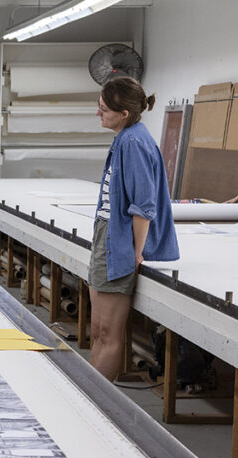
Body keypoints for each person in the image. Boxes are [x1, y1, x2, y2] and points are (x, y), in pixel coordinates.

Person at [89, 77, 179, 381]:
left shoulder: (134, 142)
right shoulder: (125, 137)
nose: (98, 114)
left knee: (109, 333)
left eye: (103, 109)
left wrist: (136, 253)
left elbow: (143, 205)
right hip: (108, 235)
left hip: (120, 243)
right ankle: (87, 398)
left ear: (124, 113)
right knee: (98, 331)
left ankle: (92, 405)